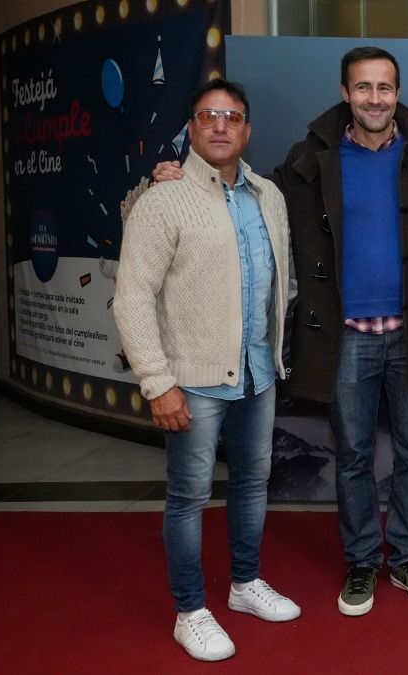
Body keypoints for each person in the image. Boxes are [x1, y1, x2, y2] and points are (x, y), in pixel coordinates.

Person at [154, 47, 408, 617]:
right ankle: (363, 562)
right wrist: (172, 175)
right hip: (344, 338)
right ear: (346, 93)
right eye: (363, 87)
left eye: (385, 88)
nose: (375, 98)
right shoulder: (307, 160)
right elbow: (237, 195)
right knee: (353, 455)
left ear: (398, 93)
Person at [115, 79, 300, 661]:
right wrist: (157, 381)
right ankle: (189, 609)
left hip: (257, 375)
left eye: (233, 117)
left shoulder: (269, 195)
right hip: (190, 381)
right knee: (189, 495)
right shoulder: (162, 198)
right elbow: (132, 297)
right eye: (208, 116)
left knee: (251, 484)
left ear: (247, 130)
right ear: (192, 128)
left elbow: (277, 283)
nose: (221, 126)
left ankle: (244, 586)